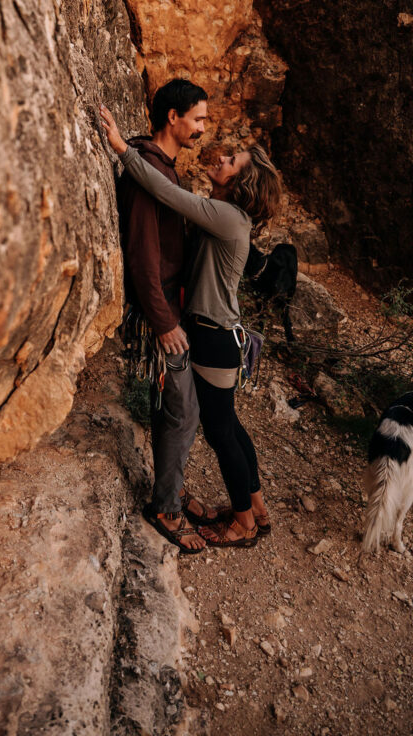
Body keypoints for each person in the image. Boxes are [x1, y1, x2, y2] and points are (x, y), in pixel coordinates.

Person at [101, 104, 281, 548]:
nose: (221, 158)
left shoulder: (227, 218)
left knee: (221, 433)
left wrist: (124, 150)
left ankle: (242, 524)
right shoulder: (230, 216)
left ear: (239, 182)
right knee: (232, 429)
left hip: (214, 337)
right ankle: (256, 510)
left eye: (231, 163)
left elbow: (167, 194)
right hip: (222, 336)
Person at [116, 79, 213, 554]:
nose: (202, 129)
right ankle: (166, 508)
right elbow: (141, 254)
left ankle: (168, 489)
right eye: (197, 119)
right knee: (182, 410)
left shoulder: (161, 168)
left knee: (171, 408)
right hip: (161, 314)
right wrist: (163, 322)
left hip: (169, 307)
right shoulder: (148, 171)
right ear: (172, 117)